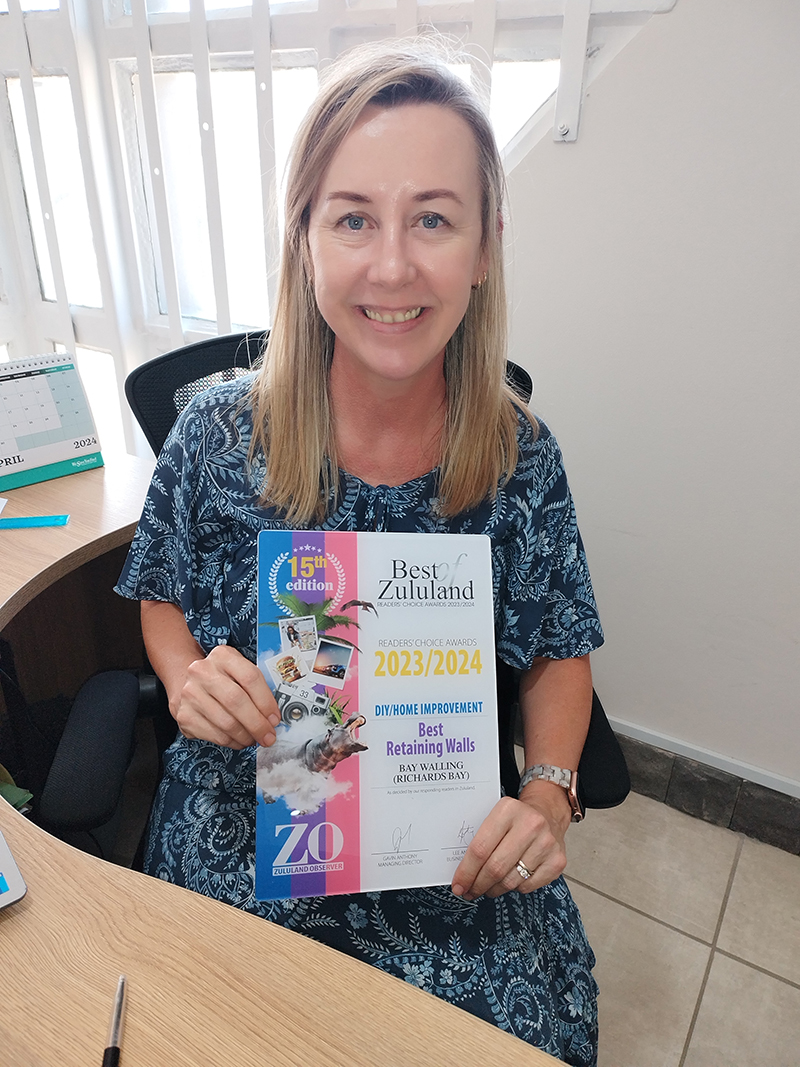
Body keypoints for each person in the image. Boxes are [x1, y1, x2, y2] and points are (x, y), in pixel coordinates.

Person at [116, 39, 603, 1066]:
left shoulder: (522, 456)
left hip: (444, 848)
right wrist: (187, 674)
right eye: (352, 219)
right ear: (304, 240)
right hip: (248, 824)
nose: (391, 266)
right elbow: (159, 590)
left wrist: (547, 792)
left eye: (432, 218)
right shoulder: (214, 433)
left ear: (484, 247)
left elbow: (559, 644)